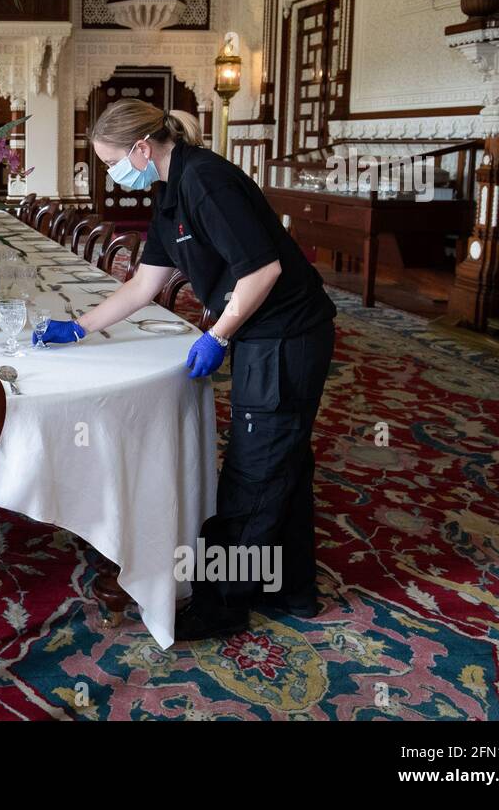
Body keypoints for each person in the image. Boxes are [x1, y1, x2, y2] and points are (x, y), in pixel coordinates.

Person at [34, 99, 337, 640]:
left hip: (286, 334)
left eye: (111, 162)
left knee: (255, 468)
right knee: (283, 456)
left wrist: (219, 333)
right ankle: (293, 588)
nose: (111, 173)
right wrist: (79, 327)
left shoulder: (206, 180)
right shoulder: (172, 190)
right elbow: (144, 283)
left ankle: (221, 605)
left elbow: (263, 269)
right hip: (266, 332)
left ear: (141, 149)